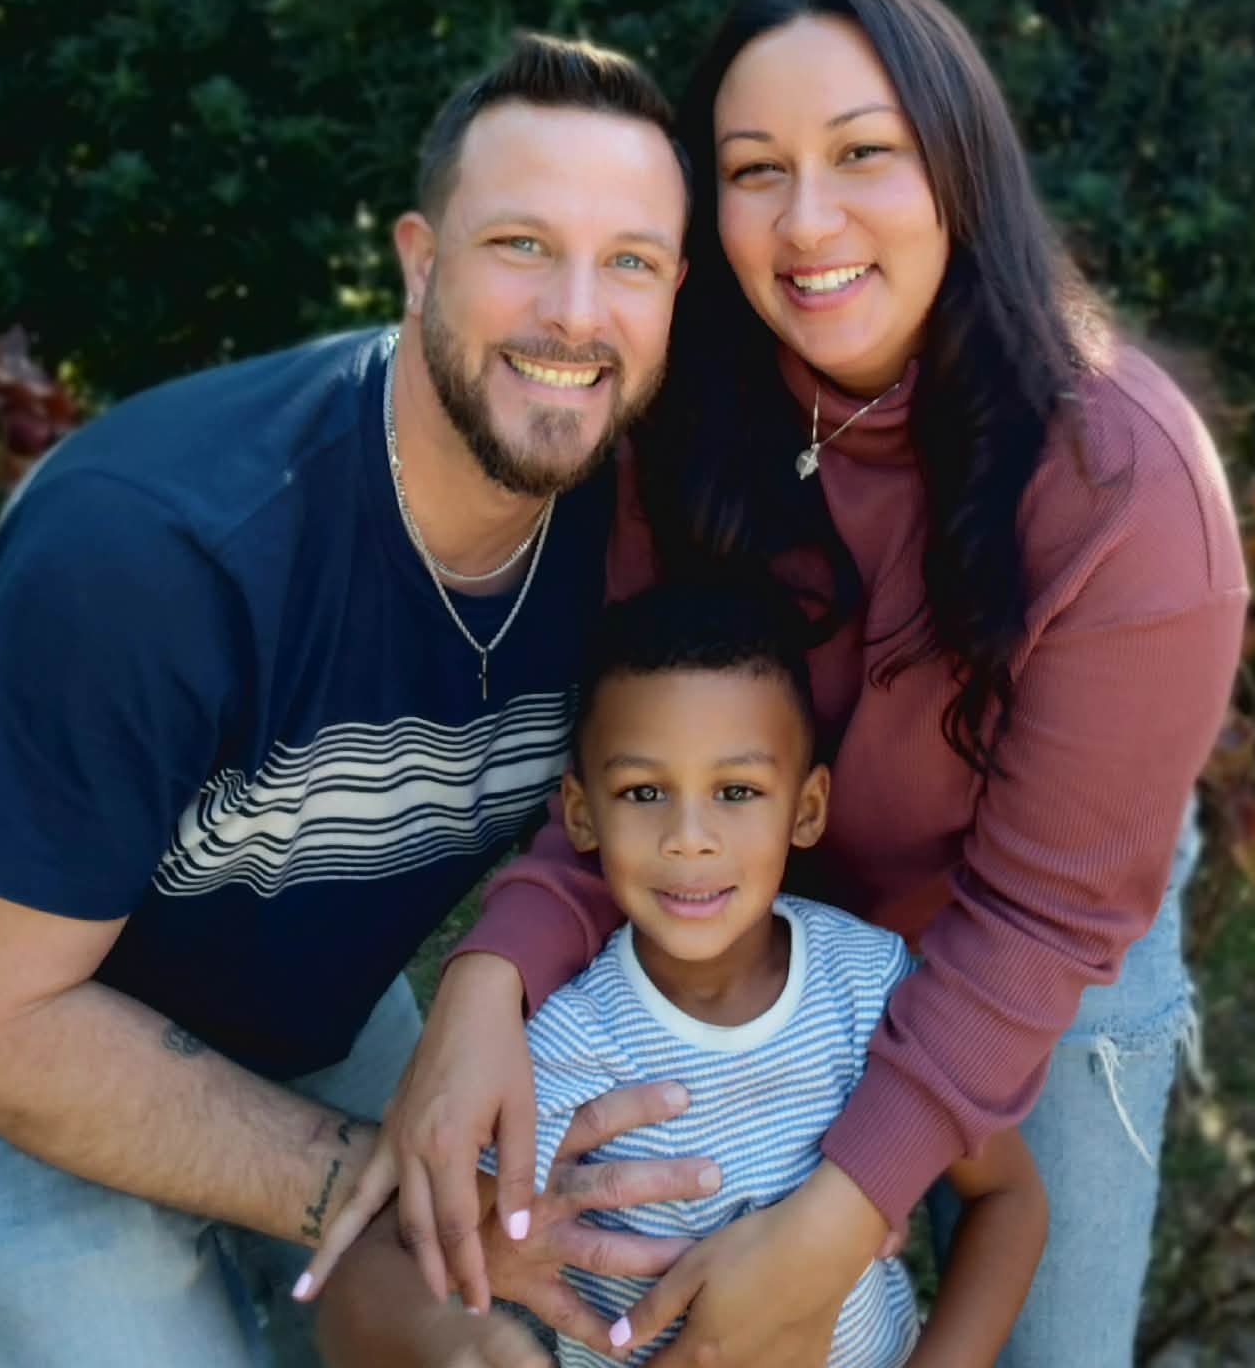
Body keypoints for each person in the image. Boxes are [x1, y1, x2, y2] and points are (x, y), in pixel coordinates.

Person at [310, 0, 1249, 1368]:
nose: (808, 222)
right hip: (755, 892)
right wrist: (487, 981)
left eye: (864, 153)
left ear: (961, 166)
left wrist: (836, 1226)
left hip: (1038, 933)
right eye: (756, 170)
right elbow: (636, 754)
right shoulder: (686, 407)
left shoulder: (1127, 481)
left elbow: (1044, 918)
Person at [0, 34, 717, 1368]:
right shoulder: (151, 555)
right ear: (421, 261)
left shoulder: (636, 523)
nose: (577, 312)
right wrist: (381, 1186)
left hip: (317, 1020)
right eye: (522, 244)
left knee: (515, 1343)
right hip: (20, 1052)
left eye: (632, 262)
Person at [316, 576, 1047, 1368]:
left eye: (736, 790)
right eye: (644, 792)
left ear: (807, 809)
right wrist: (460, 1340)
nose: (689, 836)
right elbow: (410, 1254)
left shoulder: (870, 986)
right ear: (582, 813)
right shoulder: (558, 1054)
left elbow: (1008, 1198)